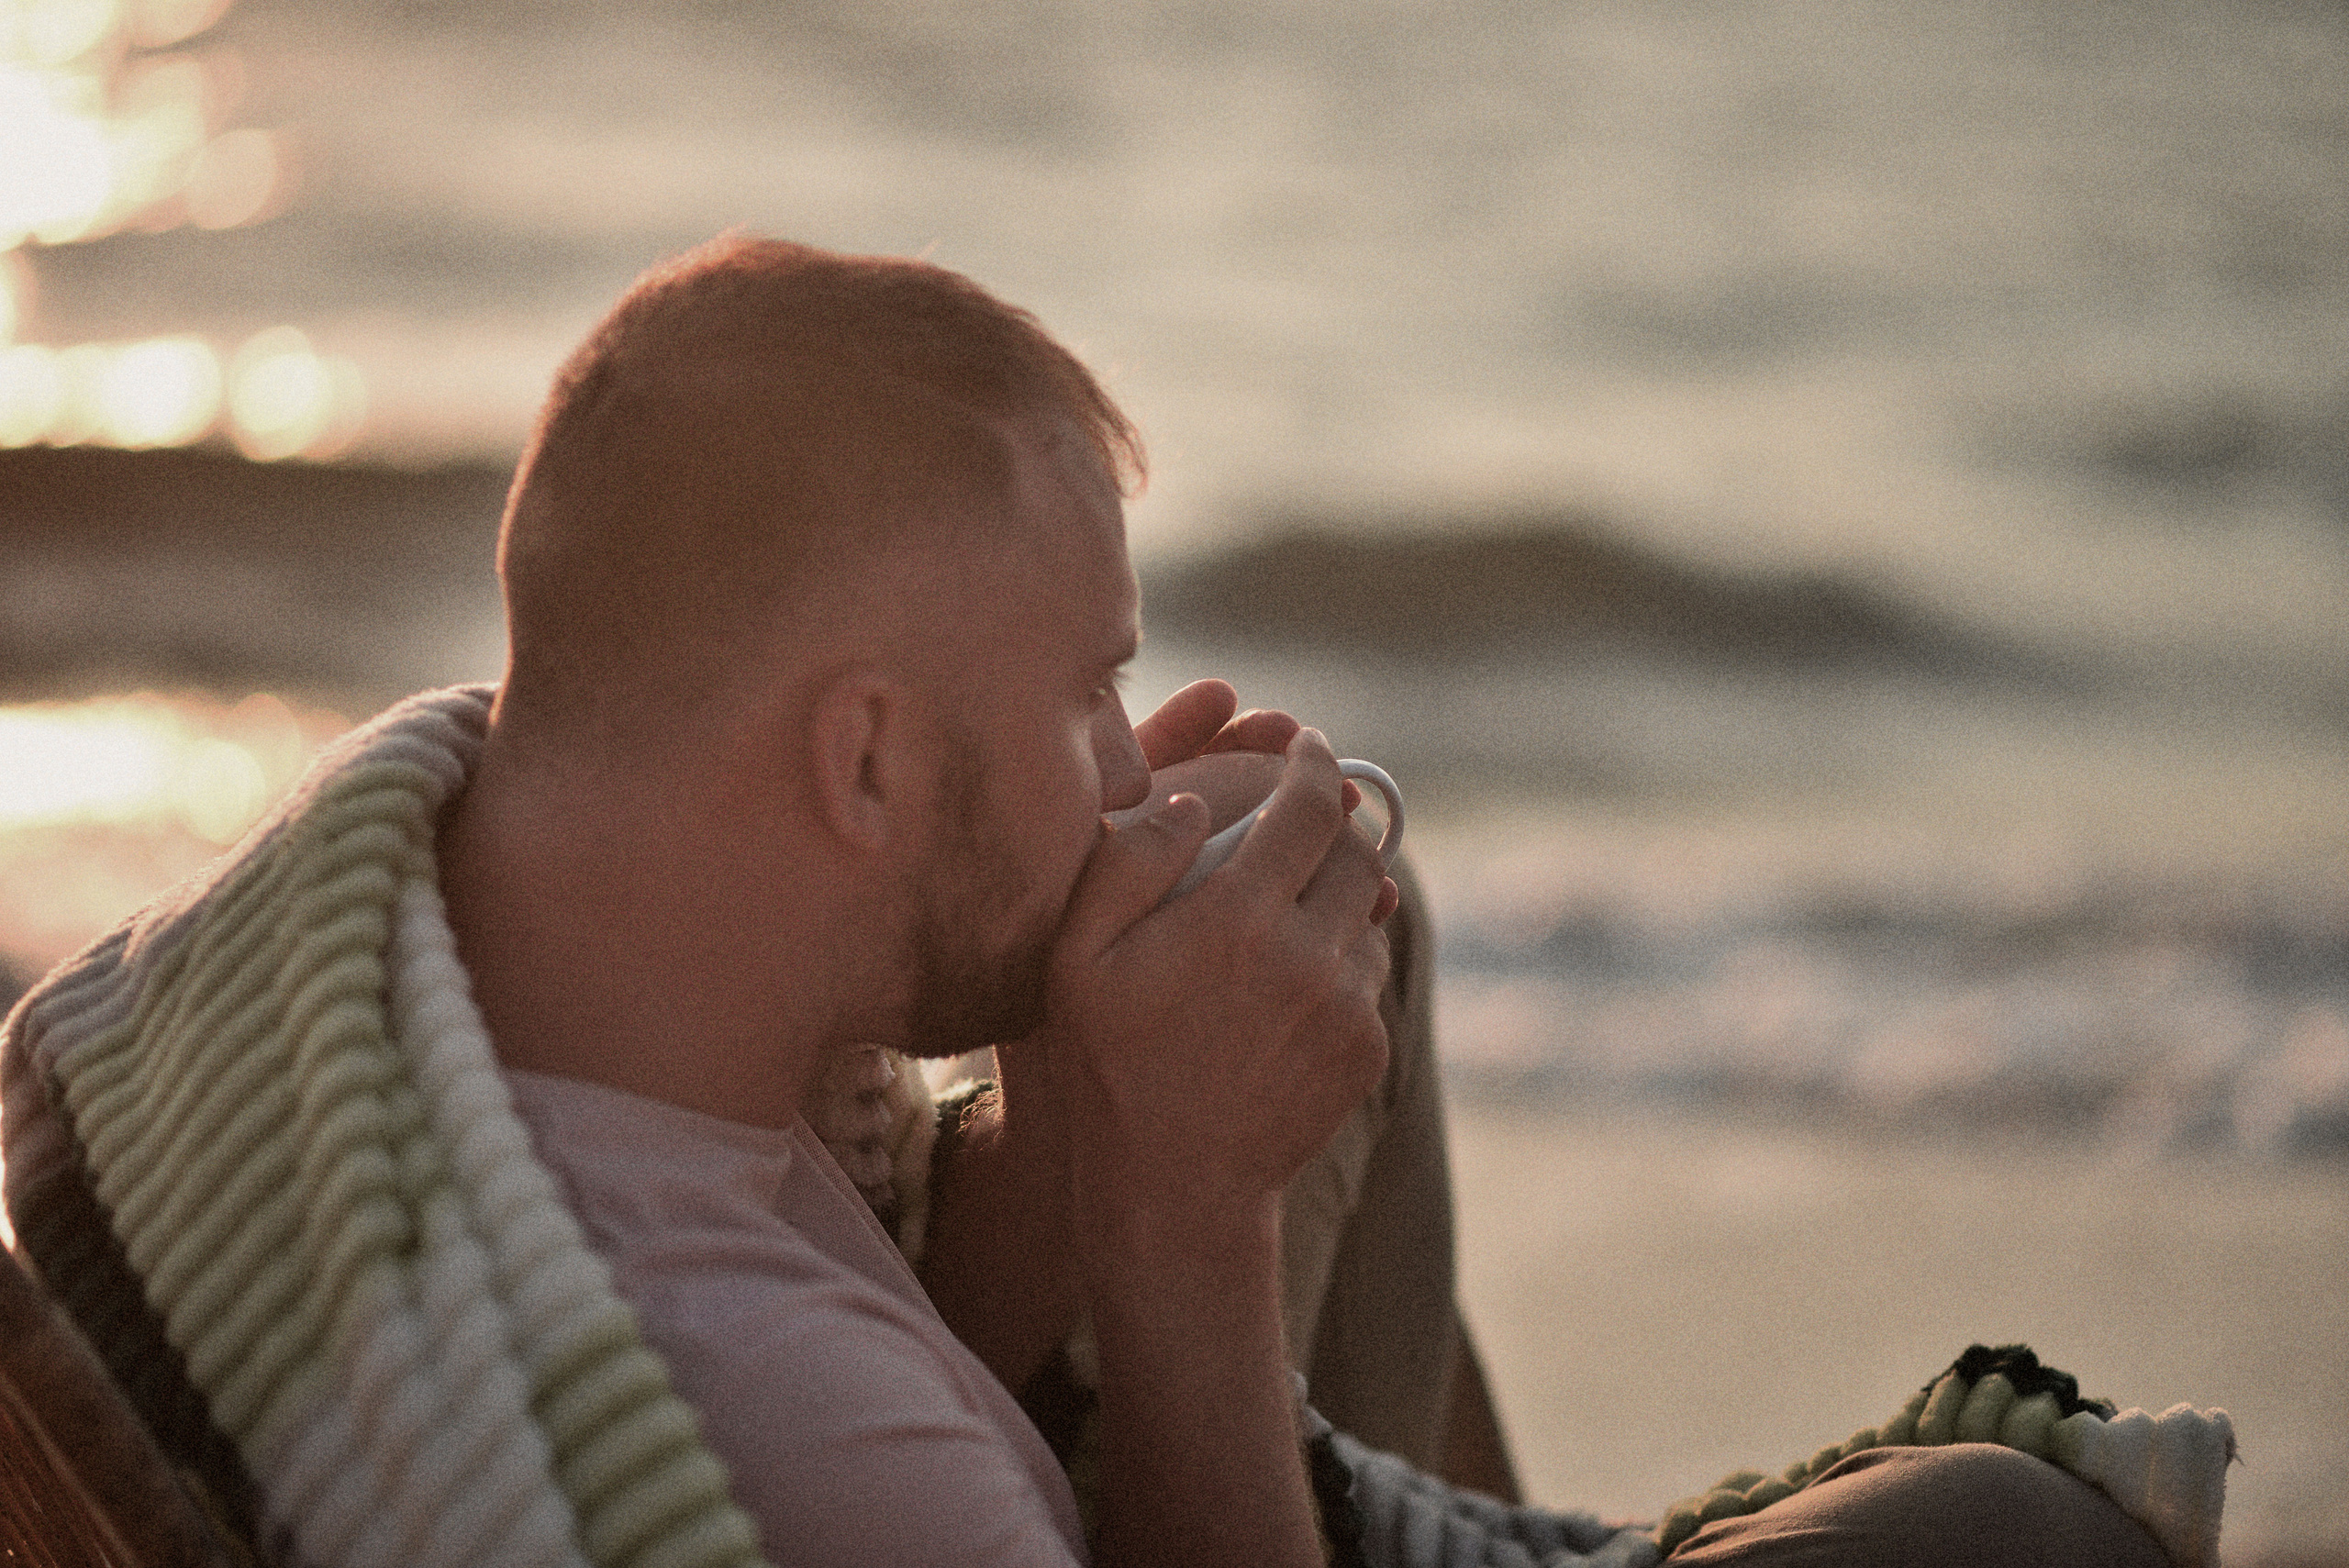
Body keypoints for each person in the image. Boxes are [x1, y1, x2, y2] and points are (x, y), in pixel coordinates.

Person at [3, 235, 2202, 1568]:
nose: (1115, 752)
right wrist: (1176, 1214)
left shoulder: (533, 994)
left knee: (1351, 916)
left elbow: (842, 1266)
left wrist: (1078, 1095)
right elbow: (870, 1389)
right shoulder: (804, 1439)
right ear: (861, 756)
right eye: (1084, 689)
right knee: (2001, 1528)